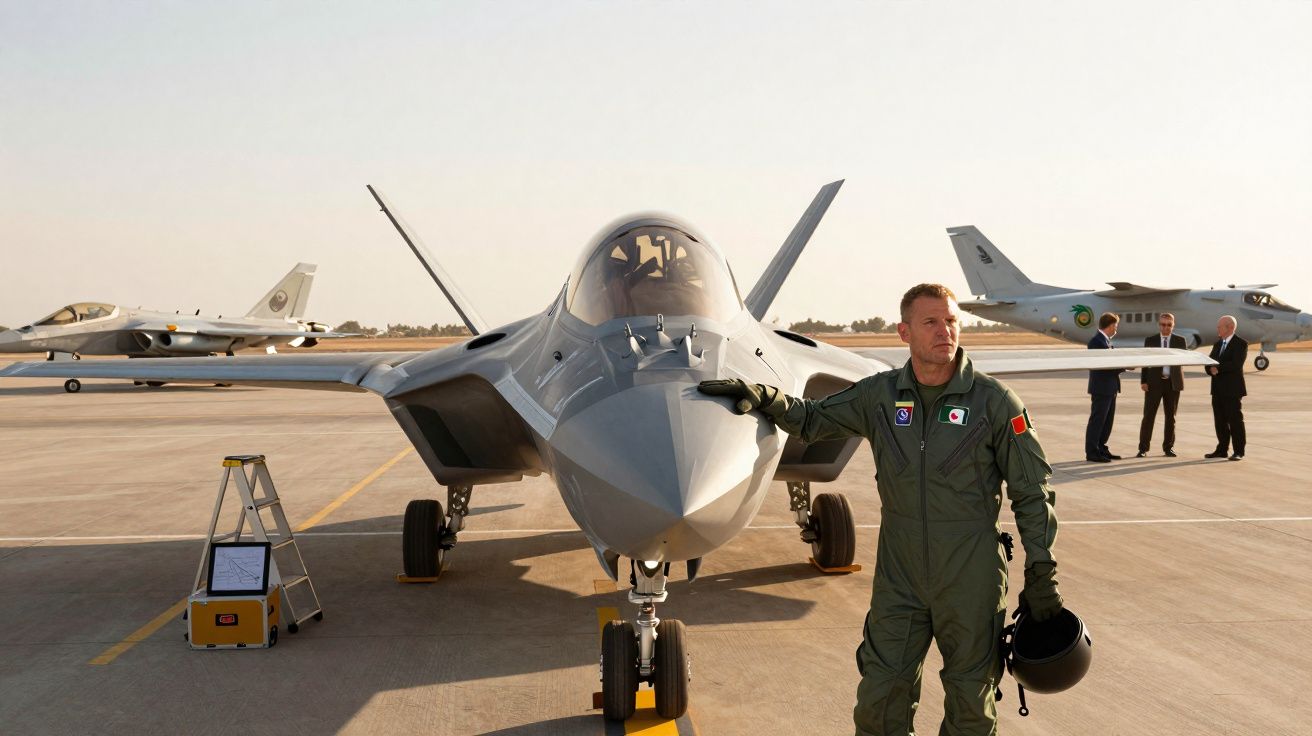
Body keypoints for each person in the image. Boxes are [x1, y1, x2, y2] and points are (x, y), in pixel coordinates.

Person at [697, 283, 1062, 736]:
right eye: (931, 322)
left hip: (971, 579)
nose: (944, 331)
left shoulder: (995, 403)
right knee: (880, 698)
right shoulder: (880, 397)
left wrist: (1042, 577)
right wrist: (767, 398)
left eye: (951, 321)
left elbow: (1032, 492)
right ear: (904, 332)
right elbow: (813, 419)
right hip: (900, 579)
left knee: (971, 704)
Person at [1137, 313, 1185, 457]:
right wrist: (1143, 381)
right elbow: (1145, 363)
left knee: (1171, 417)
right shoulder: (1150, 340)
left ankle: (1168, 447)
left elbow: (1184, 360)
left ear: (1173, 325)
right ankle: (1143, 448)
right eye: (1163, 324)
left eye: (1169, 325)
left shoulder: (1180, 341)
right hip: (1154, 383)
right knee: (1148, 416)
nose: (1166, 327)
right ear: (1159, 325)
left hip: (1173, 384)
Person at [1205, 315, 1247, 460]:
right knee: (1220, 421)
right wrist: (1210, 369)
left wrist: (1218, 369)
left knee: (1235, 421)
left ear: (1229, 327)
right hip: (1217, 389)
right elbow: (1209, 362)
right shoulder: (1218, 344)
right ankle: (1222, 449)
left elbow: (1236, 364)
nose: (1217, 328)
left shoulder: (1240, 344)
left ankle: (1239, 451)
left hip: (1232, 390)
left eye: (1219, 326)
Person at [1084, 312, 1124, 462]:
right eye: (1116, 326)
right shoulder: (1096, 342)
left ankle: (1101, 447)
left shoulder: (1104, 341)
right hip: (1102, 388)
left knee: (1107, 422)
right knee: (1098, 421)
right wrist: (1125, 367)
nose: (1116, 329)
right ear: (1111, 325)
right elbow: (1104, 366)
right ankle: (1092, 452)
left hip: (1109, 388)